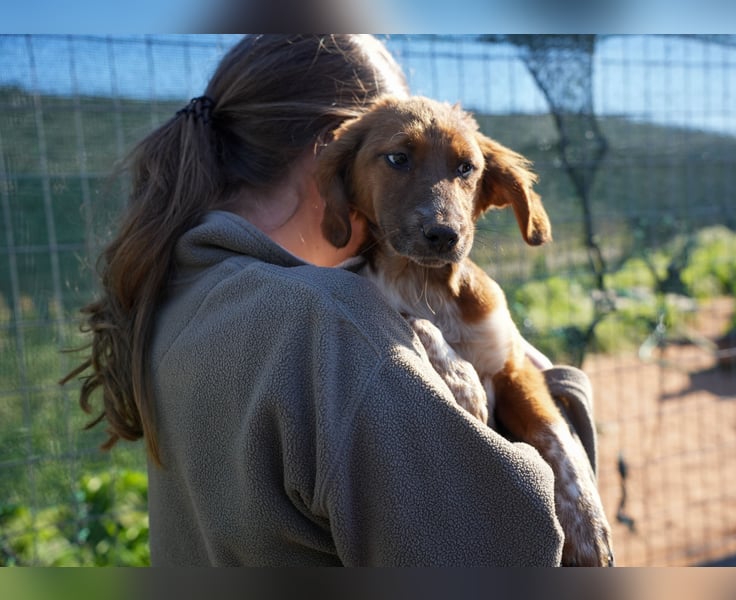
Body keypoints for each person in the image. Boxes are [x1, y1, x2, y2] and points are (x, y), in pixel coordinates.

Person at [63, 34, 599, 566]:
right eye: (396, 158)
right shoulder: (339, 326)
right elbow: (518, 549)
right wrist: (558, 387)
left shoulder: (174, 298)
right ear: (335, 156)